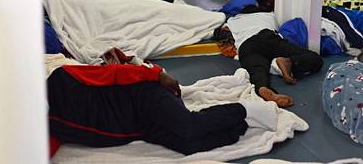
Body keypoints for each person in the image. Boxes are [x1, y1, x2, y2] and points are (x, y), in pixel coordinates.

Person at [46, 49, 277, 158]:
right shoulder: (47, 127)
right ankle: (241, 124)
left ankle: (248, 109)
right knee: (189, 146)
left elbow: (114, 73)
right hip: (139, 128)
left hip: (142, 95)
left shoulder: (60, 79)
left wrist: (157, 75)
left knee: (188, 127)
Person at [226, 0, 323, 108]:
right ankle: (290, 62)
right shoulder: (269, 15)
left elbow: (223, 37)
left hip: (247, 45)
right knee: (314, 58)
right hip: (267, 37)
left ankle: (263, 88)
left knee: (257, 70)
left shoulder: (233, 20)